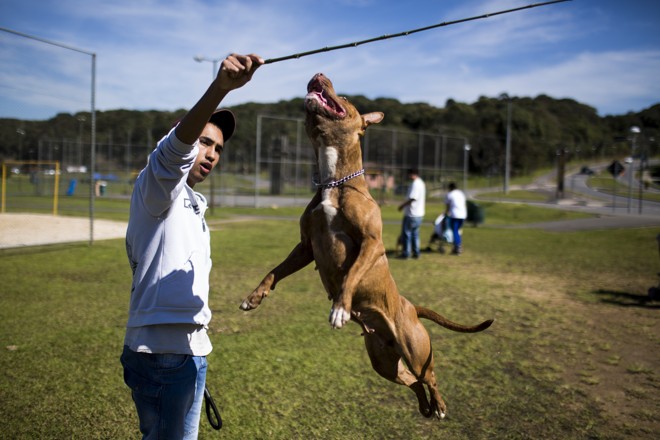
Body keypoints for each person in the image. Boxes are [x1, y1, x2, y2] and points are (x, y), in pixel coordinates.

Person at [120, 53, 263, 439]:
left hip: (189, 349)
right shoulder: (157, 185)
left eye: (218, 148)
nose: (212, 153)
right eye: (204, 141)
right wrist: (220, 89)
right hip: (162, 352)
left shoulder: (192, 202)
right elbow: (173, 153)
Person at [397, 168, 426, 259]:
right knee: (415, 234)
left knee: (407, 234)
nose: (408, 176)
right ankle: (416, 253)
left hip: (412, 213)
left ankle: (406, 253)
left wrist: (402, 206)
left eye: (409, 174)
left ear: (413, 174)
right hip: (419, 213)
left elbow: (413, 198)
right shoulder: (420, 183)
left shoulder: (416, 184)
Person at [444, 182, 467, 255]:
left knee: (455, 231)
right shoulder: (461, 193)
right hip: (463, 215)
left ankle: (457, 247)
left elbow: (447, 206)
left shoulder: (450, 194)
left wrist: (446, 214)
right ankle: (456, 246)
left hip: (455, 215)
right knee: (458, 231)